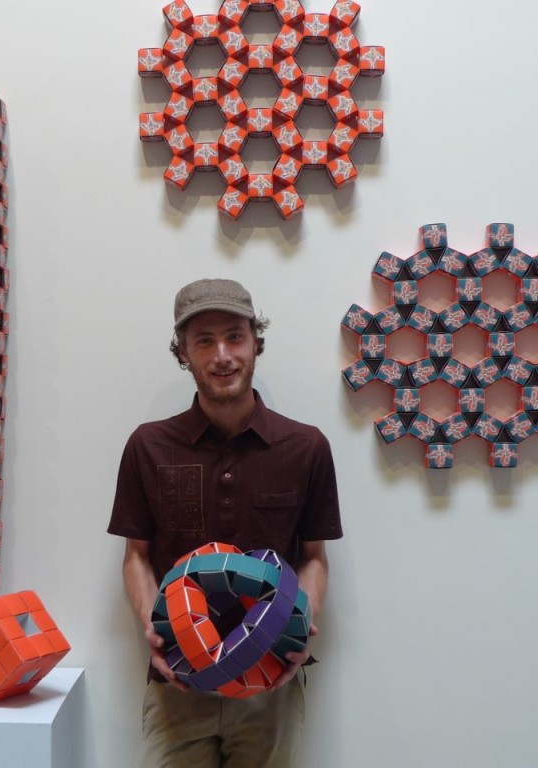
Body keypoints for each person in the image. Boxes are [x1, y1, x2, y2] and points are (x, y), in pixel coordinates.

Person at [107, 278, 342, 768]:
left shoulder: (306, 447)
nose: (222, 355)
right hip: (178, 683)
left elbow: (314, 559)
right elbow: (137, 557)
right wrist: (156, 633)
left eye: (235, 336)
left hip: (270, 683)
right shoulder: (148, 446)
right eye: (204, 341)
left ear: (256, 343)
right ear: (183, 354)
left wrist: (296, 633)